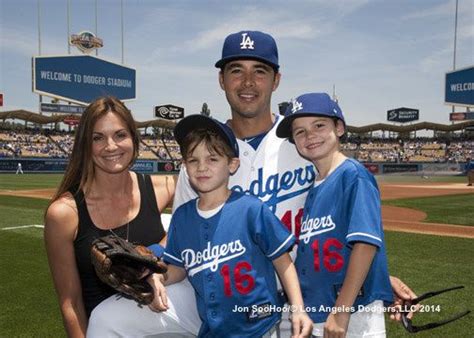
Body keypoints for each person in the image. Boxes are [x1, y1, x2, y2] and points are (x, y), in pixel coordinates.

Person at [88, 30, 416, 337]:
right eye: (236, 70)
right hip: (225, 293)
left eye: (259, 71)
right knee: (108, 318)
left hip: (300, 294)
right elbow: (188, 240)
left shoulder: (301, 141)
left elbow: (334, 225)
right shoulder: (205, 152)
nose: (248, 81)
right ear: (221, 79)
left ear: (276, 80)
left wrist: (375, 281)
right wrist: (154, 270)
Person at [43, 96, 194, 337]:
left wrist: (155, 250)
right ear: (85, 145)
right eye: (97, 138)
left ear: (134, 138)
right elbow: (70, 303)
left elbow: (196, 224)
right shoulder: (64, 214)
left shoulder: (163, 188)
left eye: (120, 135)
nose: (111, 146)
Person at [152, 114, 312, 337]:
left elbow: (283, 262)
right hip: (214, 328)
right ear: (184, 166)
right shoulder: (182, 217)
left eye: (213, 159)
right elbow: (179, 268)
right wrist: (159, 277)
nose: (202, 167)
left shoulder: (250, 209)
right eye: (193, 160)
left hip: (260, 325)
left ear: (232, 164)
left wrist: (298, 309)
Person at [276, 93, 393, 337]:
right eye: (299, 132)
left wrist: (341, 310)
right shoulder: (314, 186)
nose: (310, 136)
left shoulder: (353, 176)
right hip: (319, 309)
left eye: (319, 125)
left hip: (351, 311)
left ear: (338, 127)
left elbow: (365, 244)